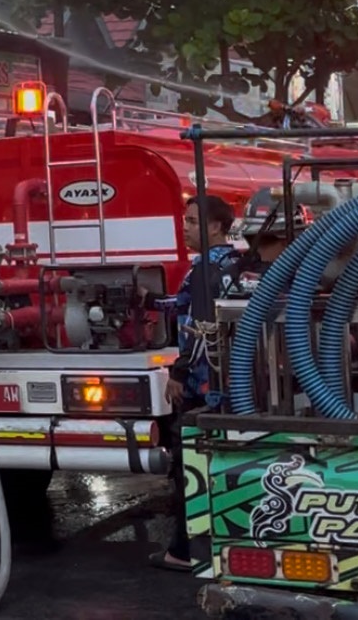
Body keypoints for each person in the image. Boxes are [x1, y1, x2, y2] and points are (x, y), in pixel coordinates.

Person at [150, 195, 242, 574]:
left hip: (203, 385)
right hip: (229, 382)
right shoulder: (233, 265)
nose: (184, 227)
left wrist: (179, 373)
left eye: (190, 221)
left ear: (216, 226)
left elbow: (200, 328)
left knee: (187, 467)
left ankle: (184, 550)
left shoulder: (205, 269)